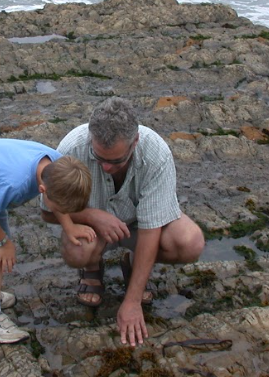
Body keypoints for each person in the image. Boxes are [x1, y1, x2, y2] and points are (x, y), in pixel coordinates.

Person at [41, 97, 205, 347]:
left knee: (189, 242)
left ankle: (133, 265)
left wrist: (132, 302)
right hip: (94, 231)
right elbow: (47, 212)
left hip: (140, 226)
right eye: (99, 158)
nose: (106, 167)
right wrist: (91, 215)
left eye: (116, 161)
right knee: (77, 251)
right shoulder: (71, 149)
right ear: (90, 139)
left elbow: (152, 228)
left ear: (135, 142)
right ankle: (93, 267)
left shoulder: (156, 154)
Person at [0, 139, 93, 344]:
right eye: (62, 208)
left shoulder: (59, 166)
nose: (63, 212)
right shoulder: (15, 182)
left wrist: (69, 227)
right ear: (42, 191)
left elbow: (57, 197)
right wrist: (3, 242)